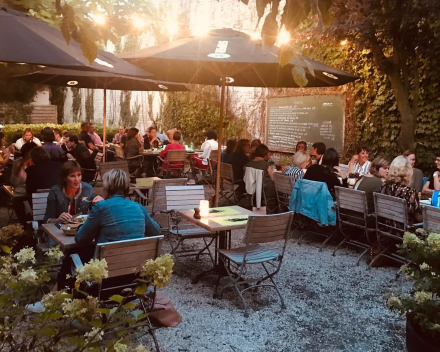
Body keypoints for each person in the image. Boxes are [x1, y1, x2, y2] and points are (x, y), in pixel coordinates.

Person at [57, 169, 160, 290]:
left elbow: (80, 239)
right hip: (135, 281)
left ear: (107, 187)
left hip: (105, 284)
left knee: (72, 254)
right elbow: (156, 232)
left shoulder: (101, 207)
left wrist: (82, 226)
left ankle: (61, 296)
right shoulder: (138, 207)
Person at [381, 156, 422, 224]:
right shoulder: (409, 192)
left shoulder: (384, 186)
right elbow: (418, 217)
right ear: (408, 171)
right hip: (405, 230)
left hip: (387, 226)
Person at [10, 142, 37, 225]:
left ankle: (32, 224)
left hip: (34, 191)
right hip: (20, 191)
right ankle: (24, 225)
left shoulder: (38, 163)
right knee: (17, 203)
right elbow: (14, 182)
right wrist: (20, 168)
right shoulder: (17, 163)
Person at [245, 144, 277, 209]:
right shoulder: (266, 164)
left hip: (252, 190)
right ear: (265, 154)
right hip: (266, 190)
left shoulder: (248, 164)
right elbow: (273, 178)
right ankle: (276, 209)